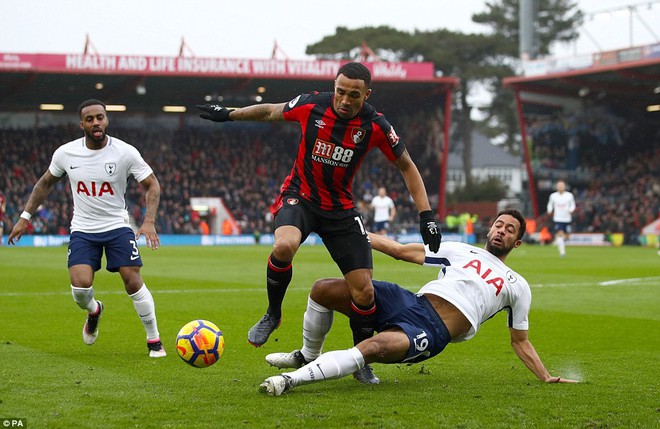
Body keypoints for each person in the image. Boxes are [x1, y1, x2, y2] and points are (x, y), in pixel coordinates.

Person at [197, 62, 441, 384]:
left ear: (366, 95)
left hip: (340, 209)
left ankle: (360, 358)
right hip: (301, 196)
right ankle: (273, 313)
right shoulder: (312, 104)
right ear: (334, 86)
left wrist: (427, 216)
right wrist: (229, 113)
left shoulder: (376, 125)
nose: (344, 100)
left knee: (364, 290)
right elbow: (271, 111)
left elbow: (407, 166)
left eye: (354, 95)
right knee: (284, 245)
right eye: (340, 91)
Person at [259, 209, 577, 396]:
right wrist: (353, 234)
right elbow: (400, 251)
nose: (501, 232)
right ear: (490, 227)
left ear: (517, 242)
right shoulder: (459, 249)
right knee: (322, 289)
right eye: (498, 225)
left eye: (509, 230)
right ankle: (306, 356)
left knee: (373, 348)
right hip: (409, 301)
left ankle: (290, 381)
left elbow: (519, 340)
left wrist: (545, 376)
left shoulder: (516, 285)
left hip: (433, 329)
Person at [8, 99, 166, 358]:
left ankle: (154, 341)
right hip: (83, 228)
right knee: (81, 289)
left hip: (117, 225)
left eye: (100, 117)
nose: (96, 123)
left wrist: (148, 221)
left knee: (132, 281)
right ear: (81, 123)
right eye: (90, 119)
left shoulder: (125, 152)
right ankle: (94, 310)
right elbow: (45, 183)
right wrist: (25, 216)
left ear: (107, 120)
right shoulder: (66, 153)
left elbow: (152, 184)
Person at [546, 180, 576, 257]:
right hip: (558, 218)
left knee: (567, 236)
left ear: (564, 187)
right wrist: (549, 210)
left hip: (567, 218)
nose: (560, 187)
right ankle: (562, 252)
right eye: (559, 186)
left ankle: (560, 242)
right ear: (557, 187)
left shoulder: (569, 195)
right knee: (559, 234)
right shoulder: (553, 196)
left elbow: (573, 205)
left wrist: (571, 210)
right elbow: (550, 205)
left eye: (561, 186)